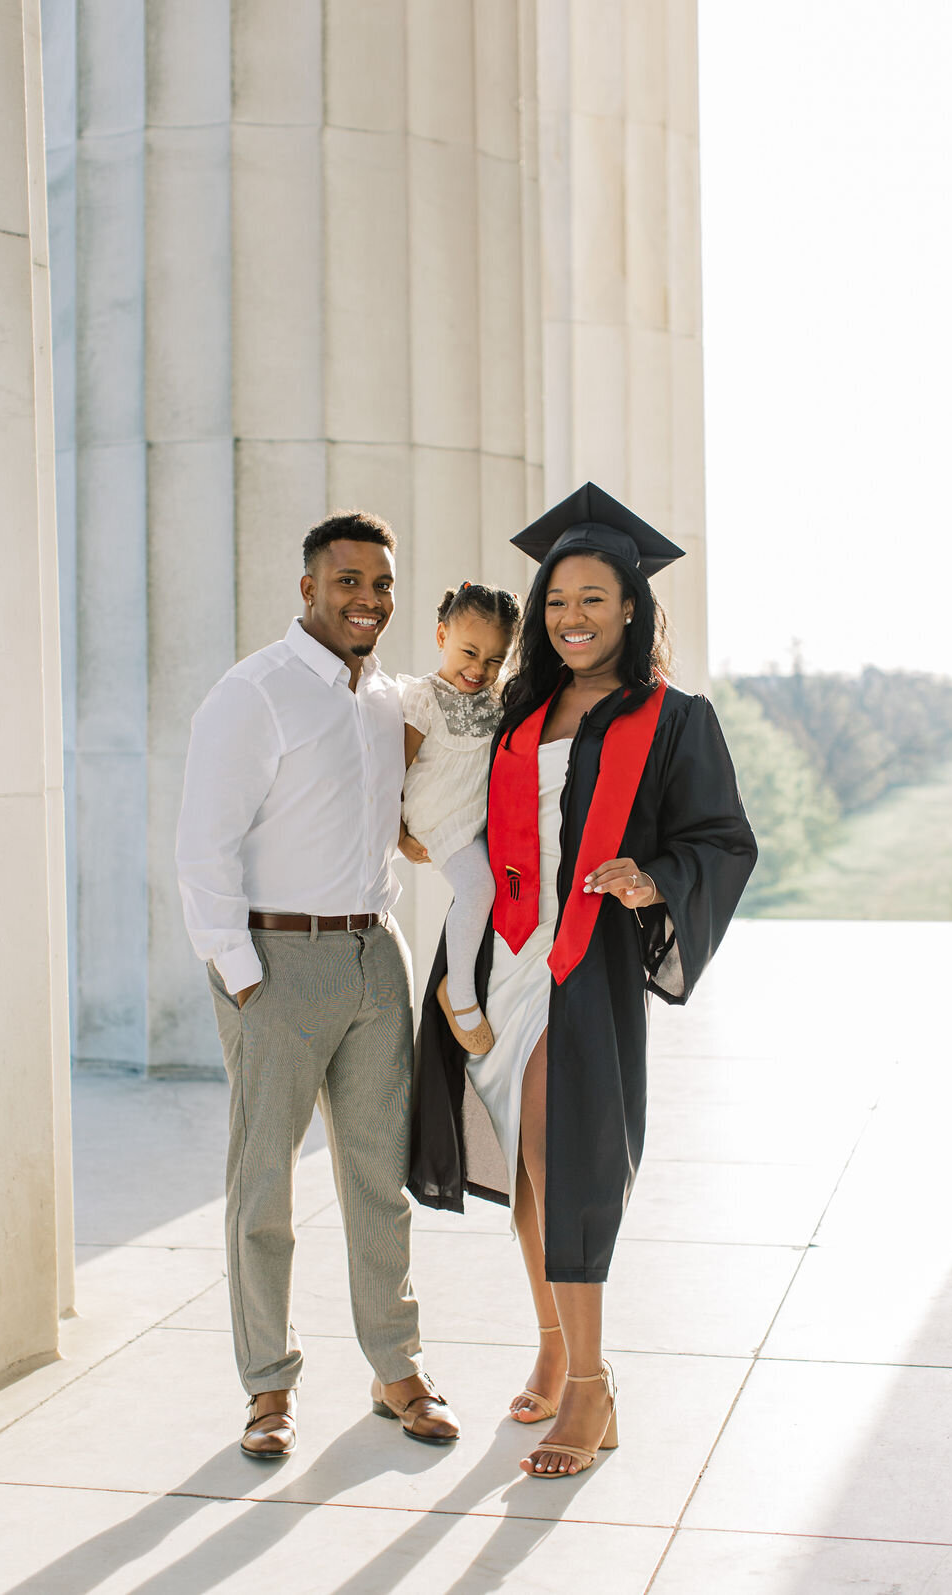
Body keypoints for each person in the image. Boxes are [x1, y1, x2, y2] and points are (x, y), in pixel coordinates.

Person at [408, 483, 757, 1479]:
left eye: (595, 598)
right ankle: (558, 1341)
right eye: (558, 599)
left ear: (632, 607)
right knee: (525, 1160)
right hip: (502, 952)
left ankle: (594, 1386)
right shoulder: (517, 707)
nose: (573, 617)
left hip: (583, 961)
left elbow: (721, 839)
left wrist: (657, 879)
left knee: (570, 1159)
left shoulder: (673, 718)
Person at [175, 511, 460, 1459]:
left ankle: (396, 1367)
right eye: (347, 582)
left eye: (381, 584)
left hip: (375, 957)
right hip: (277, 965)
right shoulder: (251, 694)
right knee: (263, 1188)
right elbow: (202, 848)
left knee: (381, 1180)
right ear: (308, 589)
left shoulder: (388, 700)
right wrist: (246, 977)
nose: (367, 599)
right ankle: (267, 1386)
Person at [397, 581, 522, 1055]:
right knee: (479, 888)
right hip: (438, 817)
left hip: (477, 817)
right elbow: (395, 768)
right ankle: (459, 993)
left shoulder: (497, 702)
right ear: (441, 636)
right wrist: (398, 831)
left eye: (494, 660)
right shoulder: (423, 698)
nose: (479, 669)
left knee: (507, 885)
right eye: (469, 652)